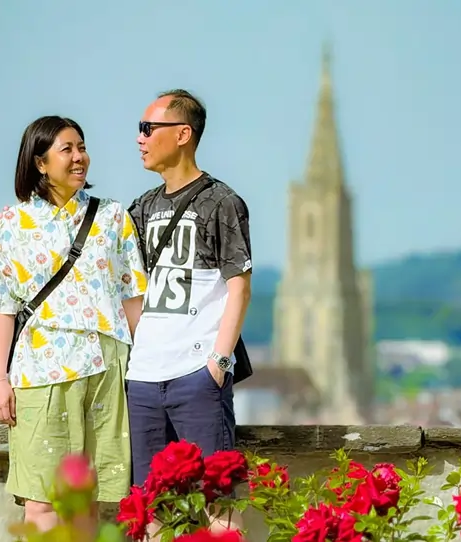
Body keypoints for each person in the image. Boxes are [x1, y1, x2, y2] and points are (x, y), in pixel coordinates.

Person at [0, 115, 147, 533]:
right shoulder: (12, 224)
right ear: (40, 162)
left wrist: (144, 369)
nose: (79, 157)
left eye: (82, 147)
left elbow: (132, 299)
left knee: (87, 502)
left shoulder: (112, 217)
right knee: (43, 501)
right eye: (67, 149)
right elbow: (1, 307)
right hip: (41, 372)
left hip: (106, 370)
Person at [127, 90, 253, 532]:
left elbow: (240, 287)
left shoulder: (221, 202)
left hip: (197, 375)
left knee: (218, 504)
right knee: (150, 509)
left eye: (148, 128)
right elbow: (131, 289)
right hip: (144, 378)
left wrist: (218, 363)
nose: (140, 138)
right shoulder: (141, 208)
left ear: (182, 134)